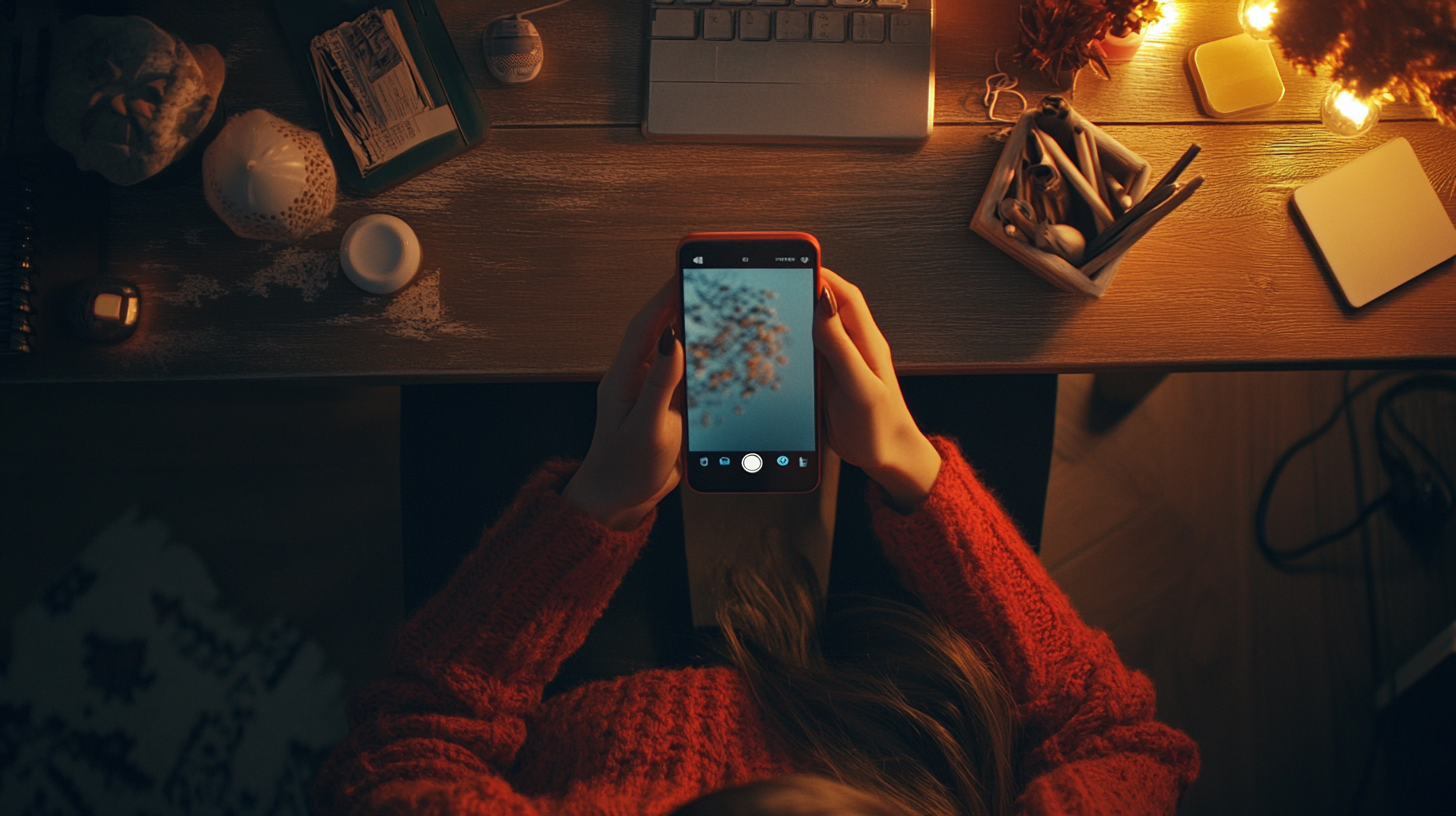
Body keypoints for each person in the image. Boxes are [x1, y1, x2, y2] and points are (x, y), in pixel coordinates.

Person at [311, 270, 1200, 816]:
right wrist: (906, 462)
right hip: (900, 707)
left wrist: (593, 506)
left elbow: (406, 737)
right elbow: (1113, 738)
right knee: (982, 334)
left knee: (484, 358)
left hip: (592, 720)